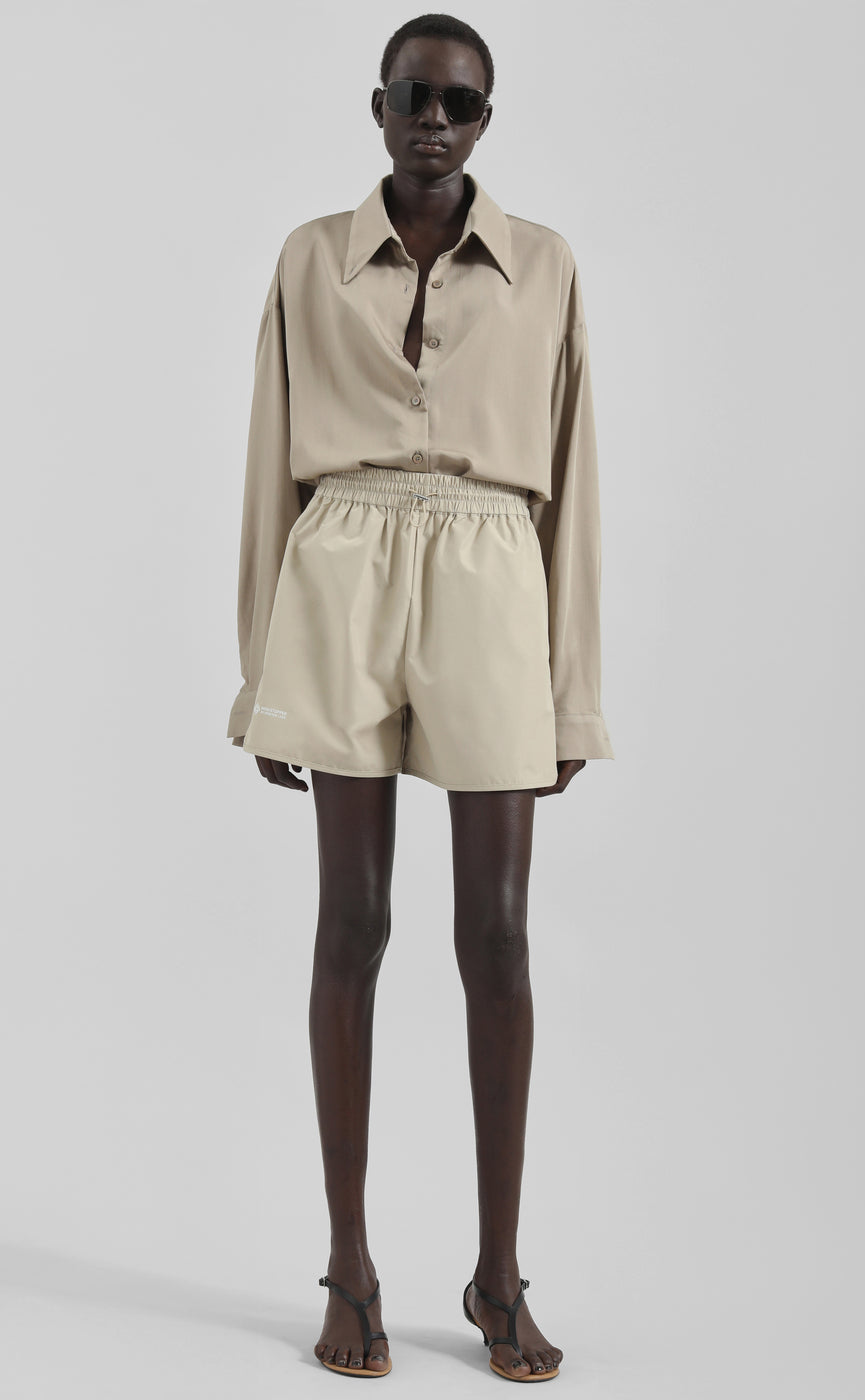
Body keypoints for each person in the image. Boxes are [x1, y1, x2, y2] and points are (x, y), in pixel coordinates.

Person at [226, 13, 614, 1383]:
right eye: (412, 95)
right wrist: (260, 670)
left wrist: (571, 695)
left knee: (497, 935)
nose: (433, 119)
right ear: (377, 105)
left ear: (486, 117)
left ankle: (499, 1273)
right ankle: (351, 1263)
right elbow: (270, 459)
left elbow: (573, 478)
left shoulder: (546, 265)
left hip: (493, 574)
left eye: (458, 101)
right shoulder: (309, 258)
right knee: (354, 921)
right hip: (339, 567)